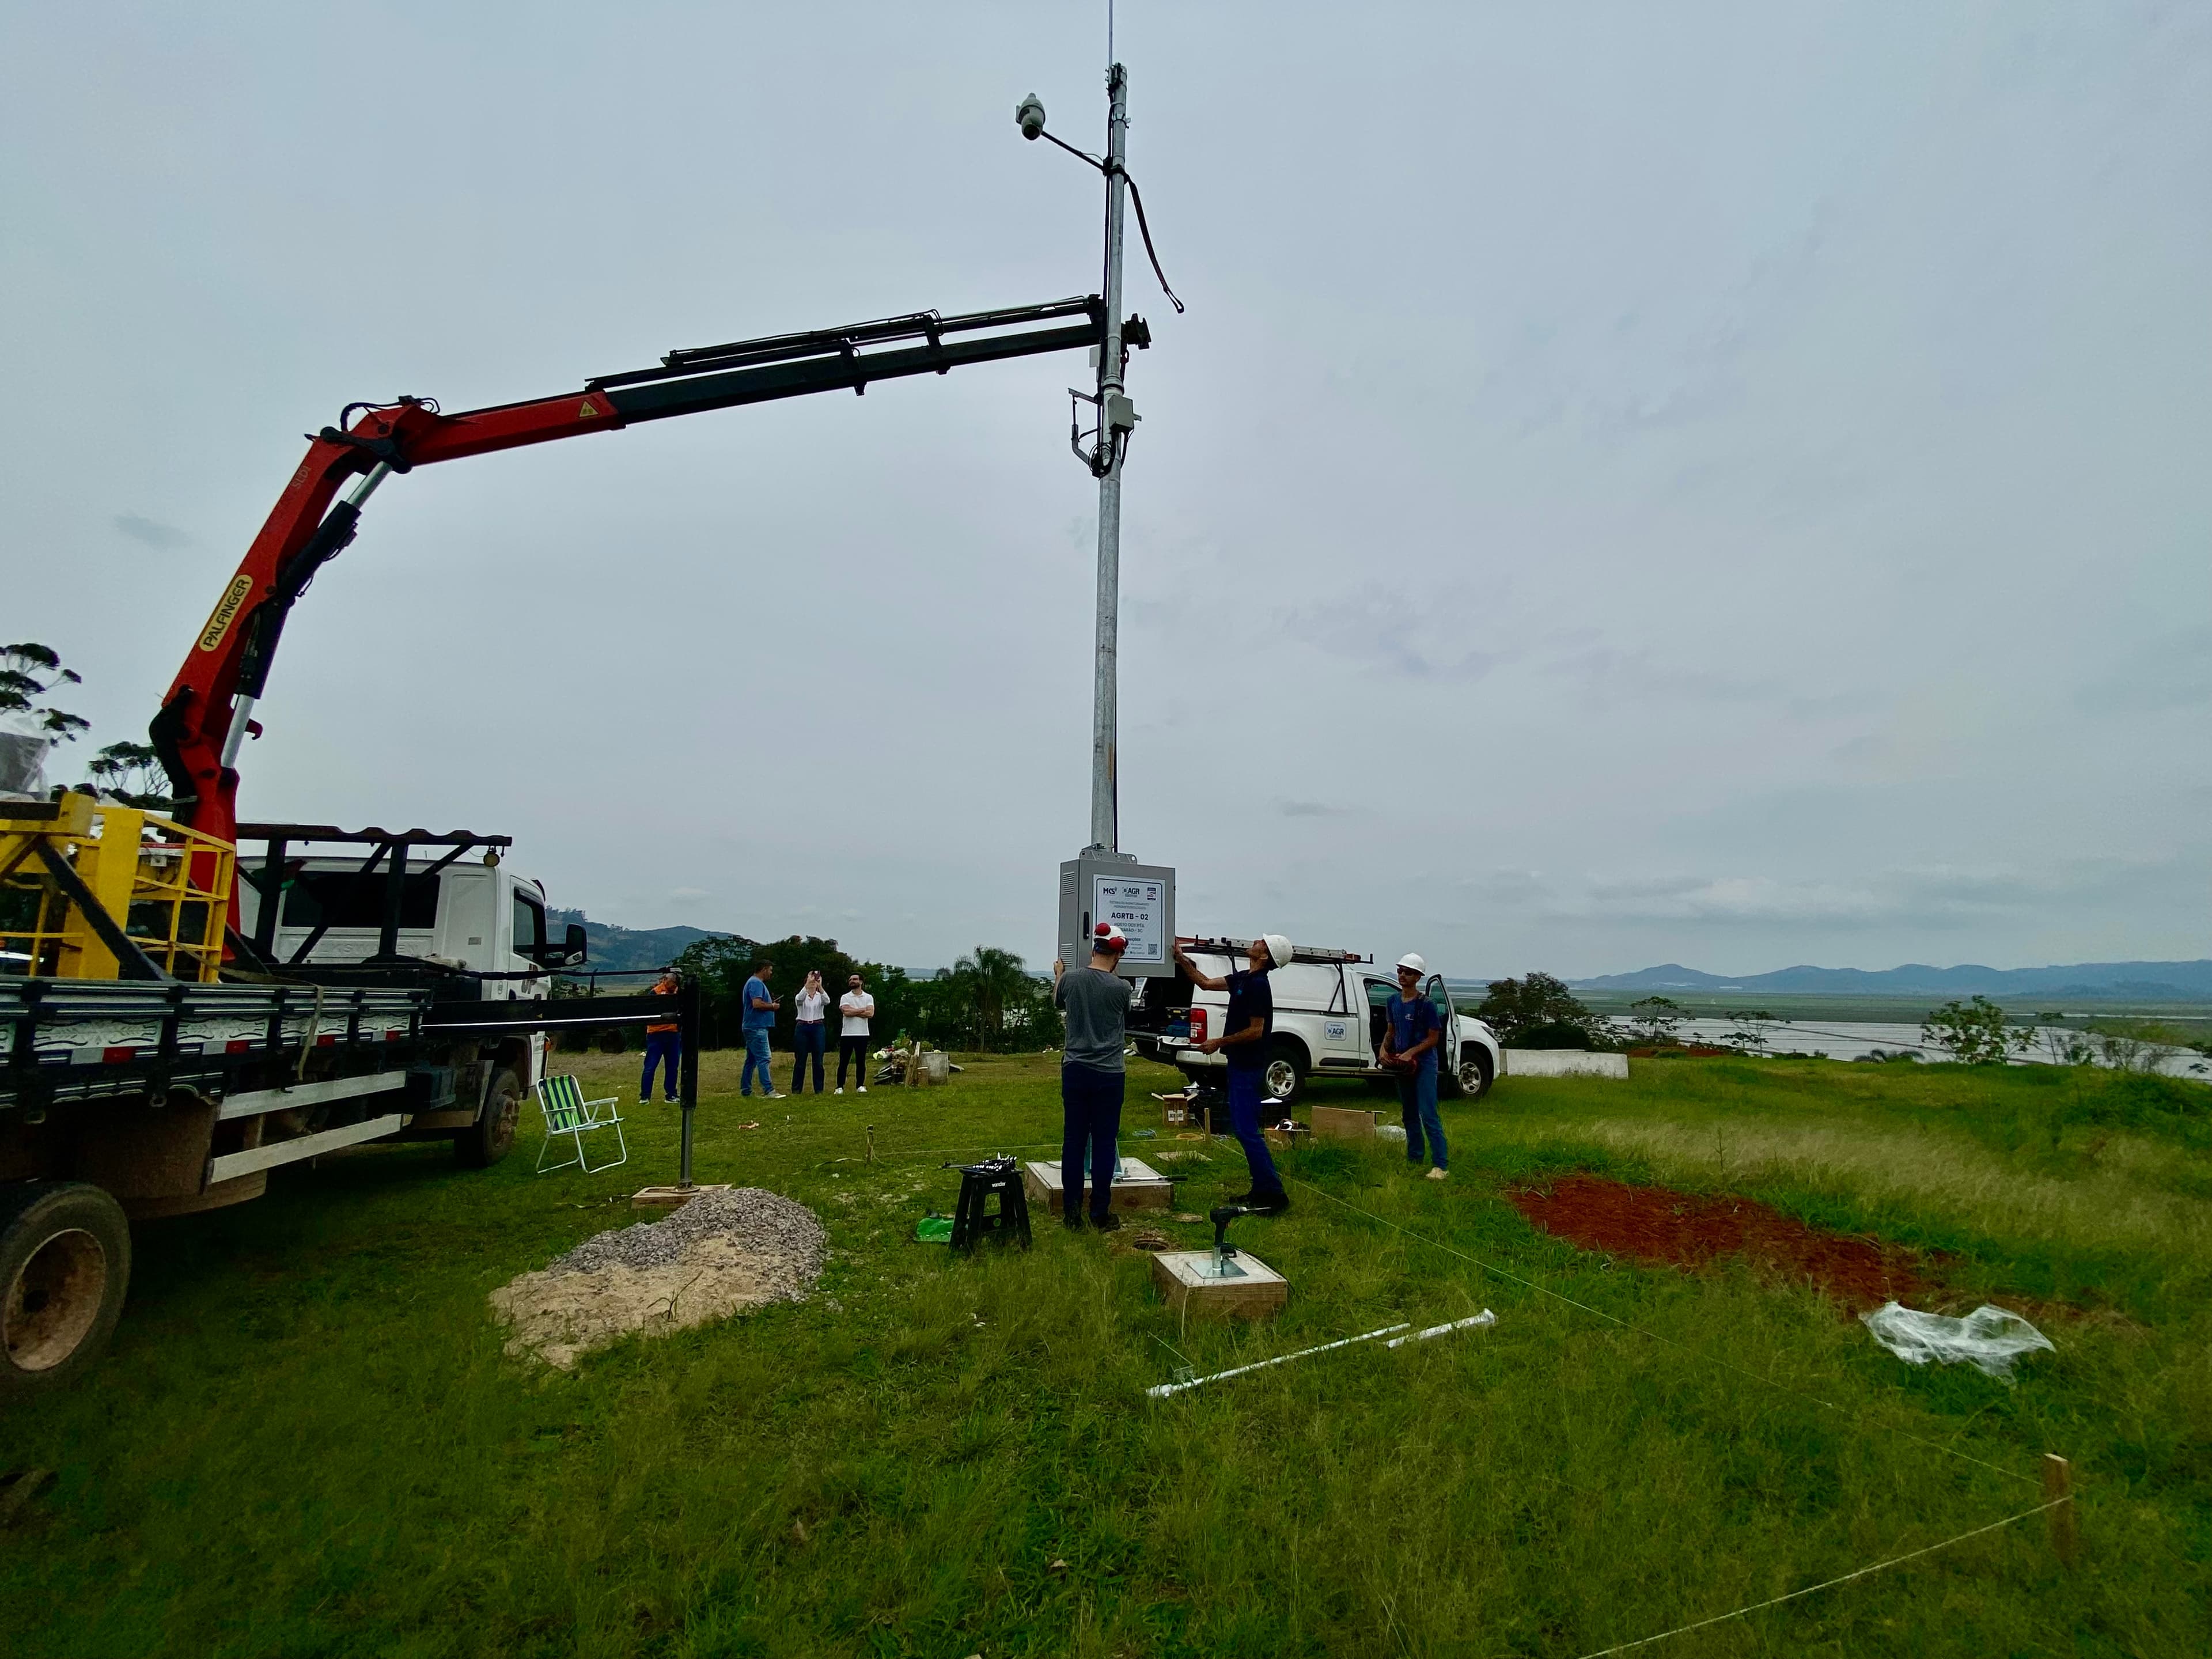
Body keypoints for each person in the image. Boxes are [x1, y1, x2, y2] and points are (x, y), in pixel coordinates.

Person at [1174, 933, 1294, 1213]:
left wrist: (1219, 1042)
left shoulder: (1259, 986)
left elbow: (1256, 1031)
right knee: (1243, 1129)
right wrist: (1181, 959)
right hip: (1239, 1063)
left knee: (1246, 1130)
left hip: (1248, 1066)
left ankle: (1273, 1193)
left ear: (1264, 956)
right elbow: (1205, 983)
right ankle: (1262, 1189)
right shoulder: (1243, 979)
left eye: (1261, 943)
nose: (1255, 942)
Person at [1052, 922, 1132, 1232]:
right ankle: (1100, 1213)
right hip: (1110, 1074)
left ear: (1093, 949)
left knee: (1073, 1141)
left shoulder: (1070, 980)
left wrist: (1059, 975)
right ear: (1118, 954)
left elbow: (1058, 1001)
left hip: (1075, 1070)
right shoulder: (1121, 988)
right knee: (1103, 1143)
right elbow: (1124, 1012)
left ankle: (1071, 1214)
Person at [1380, 952, 1448, 1181]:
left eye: (1408, 973)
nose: (1402, 976)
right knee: (1408, 1113)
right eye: (1400, 971)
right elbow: (1391, 1031)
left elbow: (1433, 1038)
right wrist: (1383, 1051)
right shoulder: (1392, 1001)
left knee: (1428, 1113)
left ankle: (1441, 1165)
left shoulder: (1427, 1004)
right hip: (1403, 1062)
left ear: (1418, 977)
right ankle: (1415, 1158)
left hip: (1424, 1062)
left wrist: (1411, 1053)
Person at [740, 960, 785, 1099]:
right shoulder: (756, 983)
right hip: (757, 1027)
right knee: (764, 1058)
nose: (771, 973)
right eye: (770, 970)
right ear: (764, 969)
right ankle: (769, 1090)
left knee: (752, 1060)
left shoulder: (753, 982)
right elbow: (757, 1004)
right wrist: (772, 1006)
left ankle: (746, 1090)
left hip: (752, 1026)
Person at [639, 967, 683, 1104]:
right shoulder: (655, 992)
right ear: (665, 980)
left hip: (673, 1034)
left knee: (673, 1066)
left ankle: (671, 1094)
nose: (674, 985)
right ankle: (645, 1096)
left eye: (676, 982)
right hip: (656, 1034)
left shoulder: (678, 992)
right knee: (650, 1066)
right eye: (672, 981)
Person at [790, 969, 830, 1094]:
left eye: (815, 981)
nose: (813, 983)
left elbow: (827, 1001)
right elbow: (799, 1000)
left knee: (818, 1059)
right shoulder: (802, 996)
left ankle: (819, 1089)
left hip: (818, 1027)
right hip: (802, 1026)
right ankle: (797, 1089)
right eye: (810, 981)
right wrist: (807, 984)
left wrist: (820, 986)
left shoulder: (820, 996)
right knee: (800, 1059)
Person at [836, 973, 875, 1094]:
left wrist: (853, 1011)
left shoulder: (868, 997)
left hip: (862, 1033)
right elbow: (846, 1012)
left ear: (861, 982)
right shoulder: (845, 997)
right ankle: (839, 1087)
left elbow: (870, 1014)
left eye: (855, 979)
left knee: (861, 1061)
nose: (852, 981)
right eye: (850, 980)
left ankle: (860, 1085)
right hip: (847, 1034)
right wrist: (862, 1009)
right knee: (844, 1061)